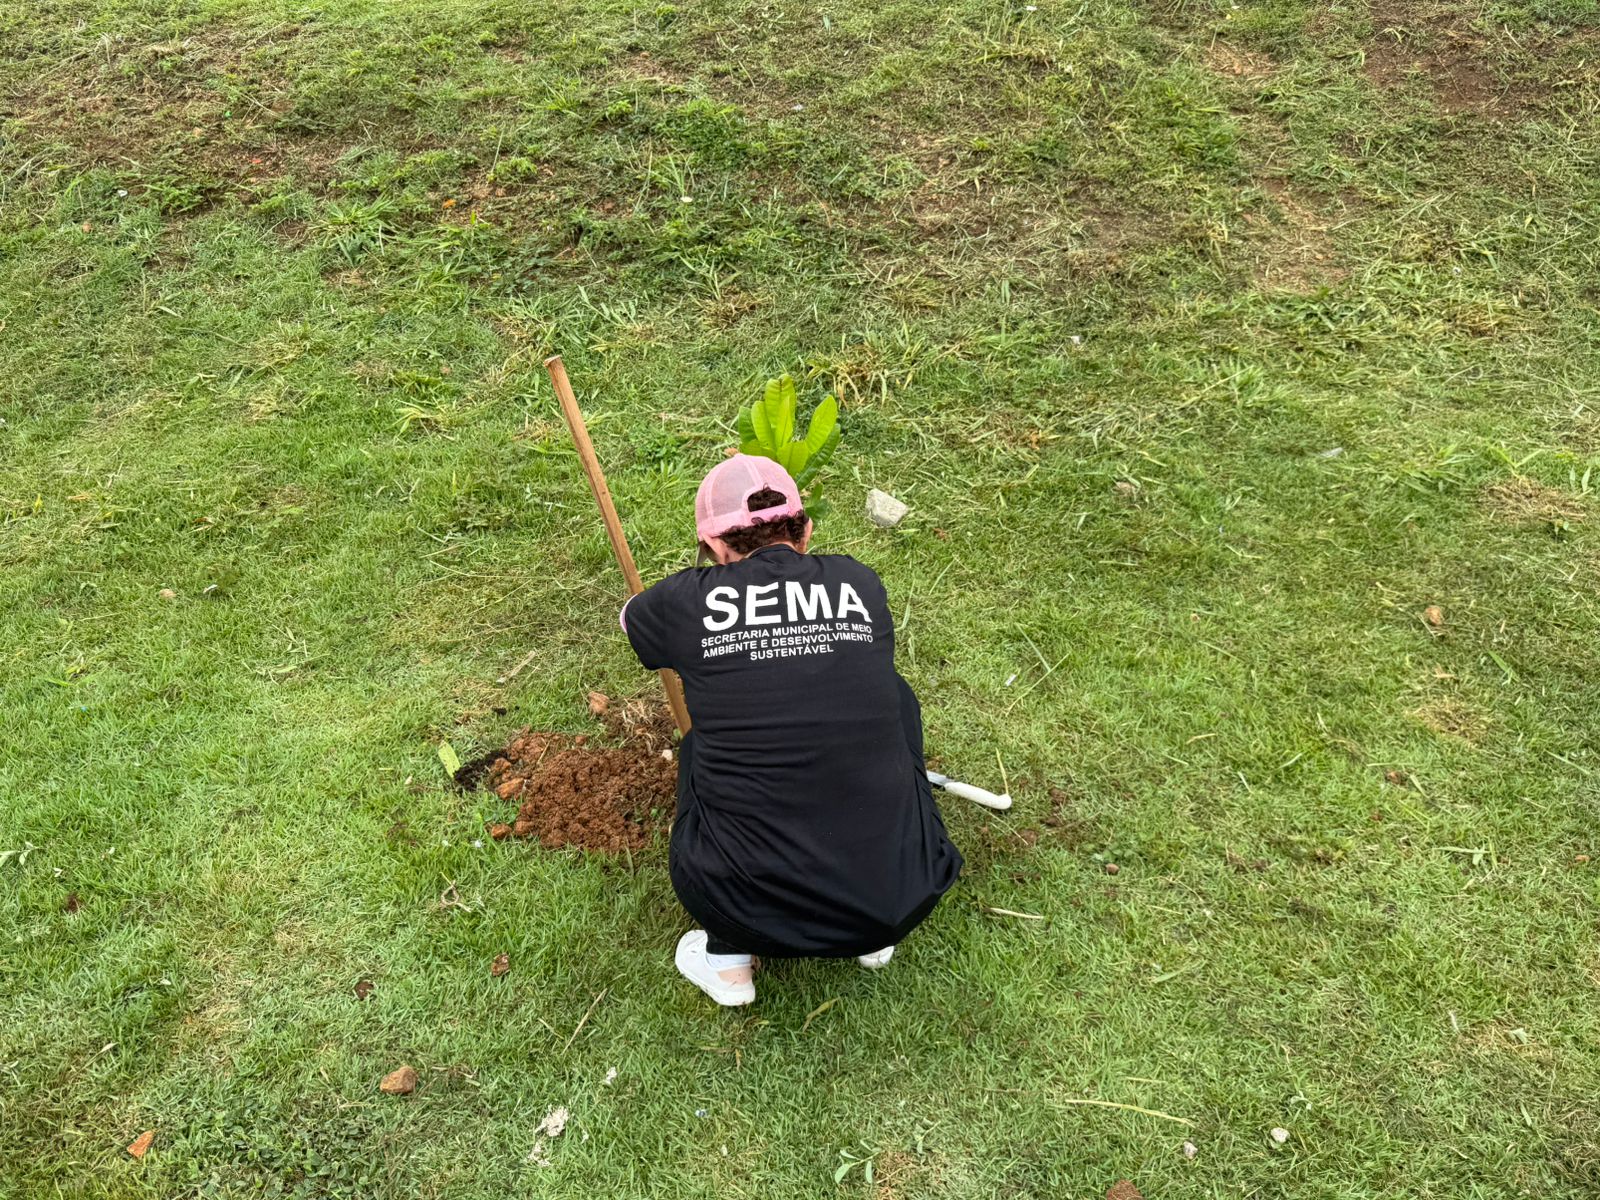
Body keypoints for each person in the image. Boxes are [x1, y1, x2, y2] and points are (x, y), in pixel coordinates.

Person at [620, 454, 963, 1006]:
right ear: (804, 530)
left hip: (741, 903)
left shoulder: (682, 601)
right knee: (896, 700)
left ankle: (729, 963)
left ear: (712, 547)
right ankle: (870, 933)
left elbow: (632, 621)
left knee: (697, 750)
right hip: (902, 896)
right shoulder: (860, 584)